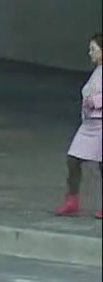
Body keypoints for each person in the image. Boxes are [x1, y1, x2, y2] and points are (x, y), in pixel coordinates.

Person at [53, 32, 102, 219]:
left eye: (93, 49)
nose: (90, 53)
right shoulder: (97, 71)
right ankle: (72, 200)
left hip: (100, 124)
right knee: (73, 159)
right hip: (89, 124)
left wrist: (95, 101)